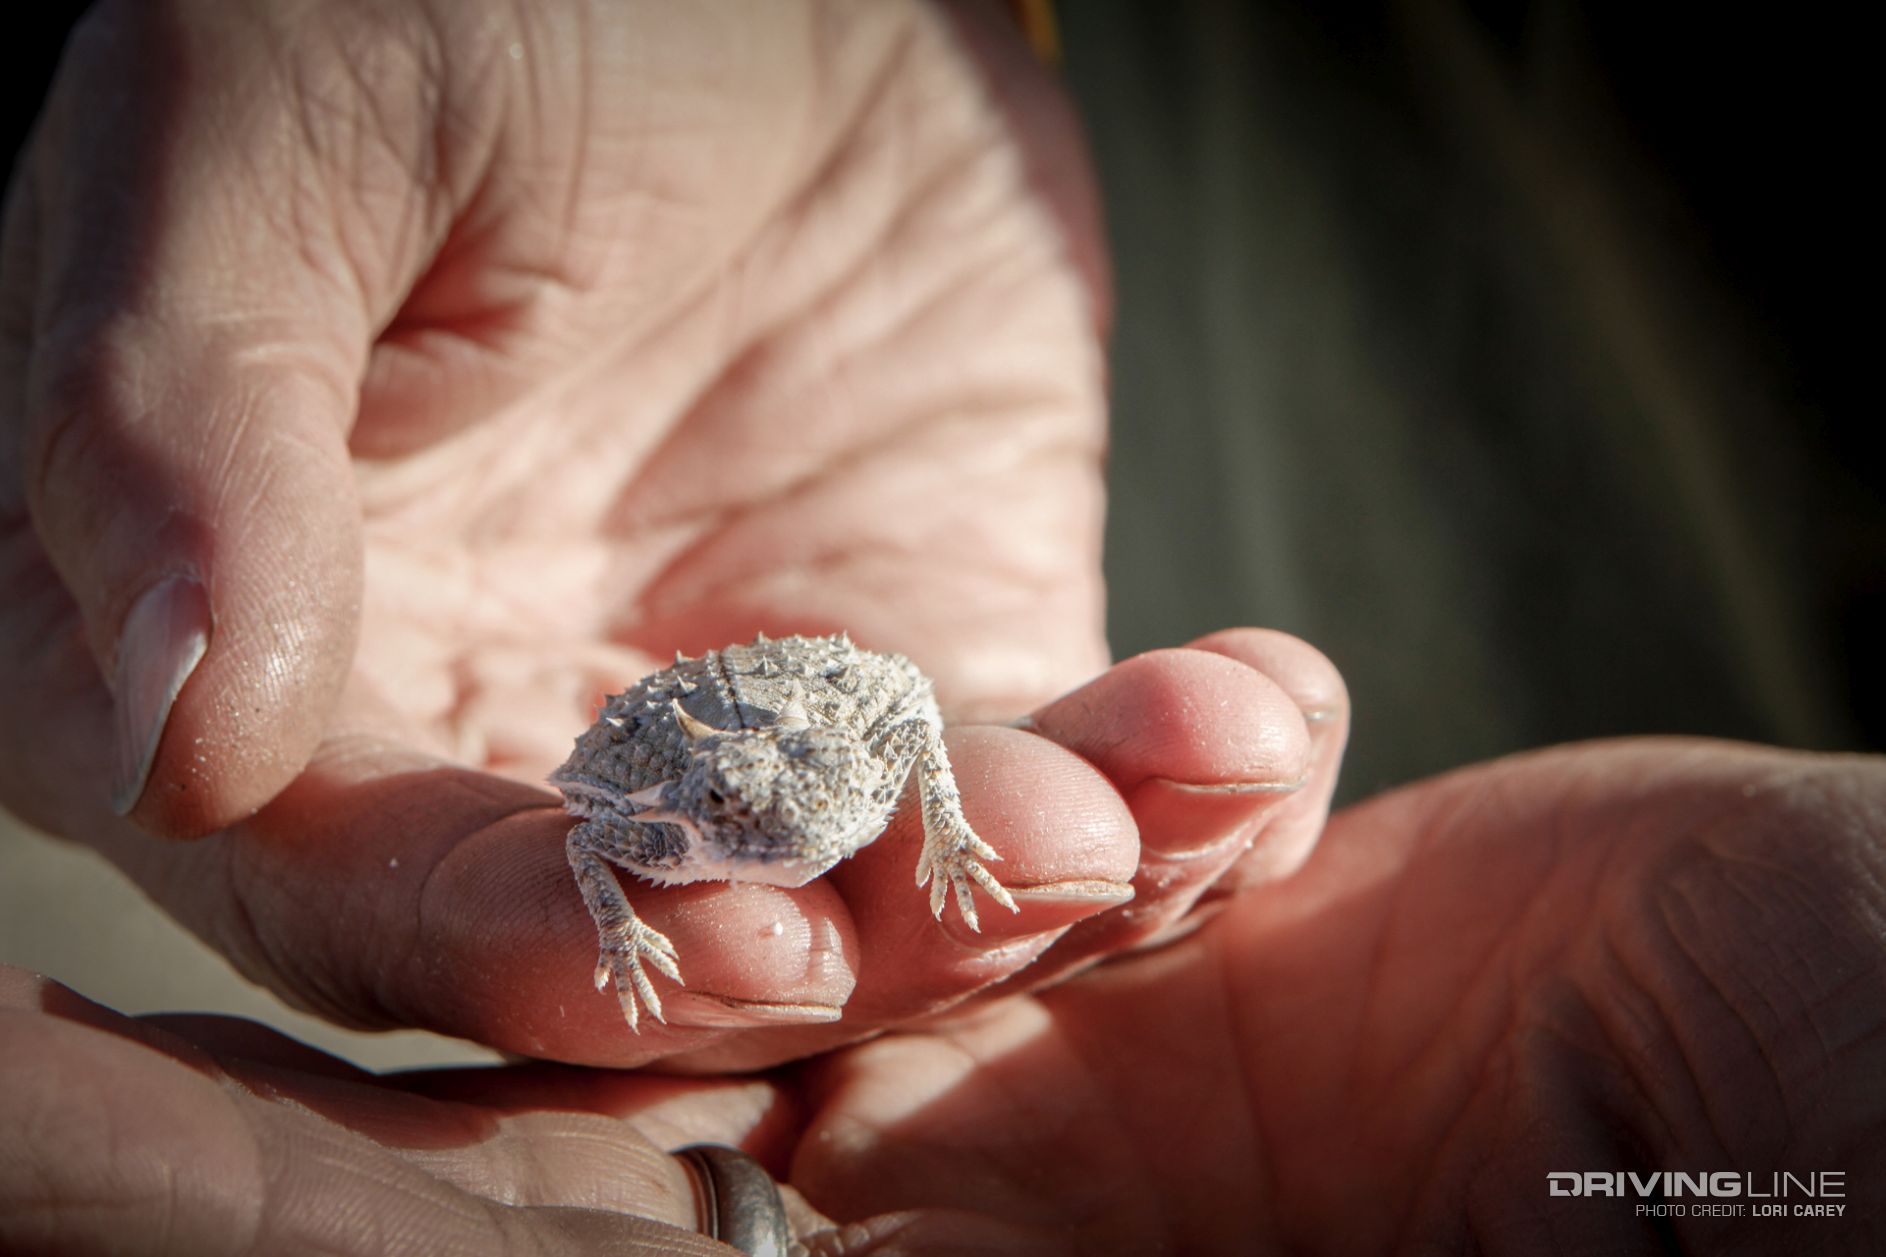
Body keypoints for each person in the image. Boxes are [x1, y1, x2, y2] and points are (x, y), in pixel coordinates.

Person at [1, 1, 1877, 1252]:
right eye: (746, 814)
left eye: (784, 802)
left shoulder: (852, 755)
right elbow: (591, 825)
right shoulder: (672, 807)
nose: (759, 835)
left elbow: (899, 708)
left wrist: (939, 809)